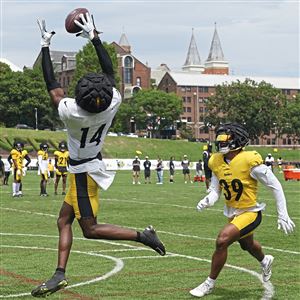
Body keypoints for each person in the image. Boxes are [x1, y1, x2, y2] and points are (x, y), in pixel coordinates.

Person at [31, 15, 165, 298]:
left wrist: (45, 47)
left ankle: (143, 236)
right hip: (88, 165)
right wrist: (94, 36)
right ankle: (59, 274)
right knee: (63, 221)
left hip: (83, 173)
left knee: (90, 229)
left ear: (79, 97)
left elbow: (52, 85)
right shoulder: (112, 103)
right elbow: (109, 74)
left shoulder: (71, 112)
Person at [190, 122, 295, 298]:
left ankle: (209, 283)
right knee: (247, 245)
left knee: (222, 240)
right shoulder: (216, 160)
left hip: (250, 212)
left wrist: (282, 213)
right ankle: (265, 260)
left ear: (236, 141)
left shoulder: (249, 160)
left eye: (225, 138)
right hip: (233, 212)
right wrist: (207, 200)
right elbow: (216, 190)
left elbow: (275, 186)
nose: (221, 142)